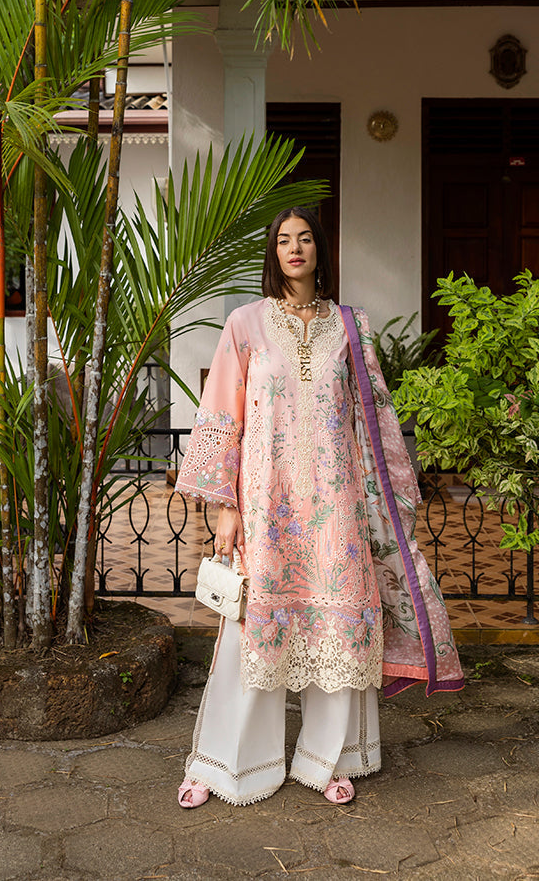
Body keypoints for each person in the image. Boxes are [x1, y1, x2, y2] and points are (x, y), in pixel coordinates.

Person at [174, 206, 463, 808]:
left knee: (338, 629)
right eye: (284, 240)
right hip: (267, 503)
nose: (295, 248)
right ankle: (228, 765)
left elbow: (376, 416)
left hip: (338, 506)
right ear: (273, 252)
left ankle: (329, 760)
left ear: (319, 249)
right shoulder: (245, 324)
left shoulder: (350, 327)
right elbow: (222, 413)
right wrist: (226, 505)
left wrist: (387, 499)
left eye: (305, 238)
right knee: (253, 630)